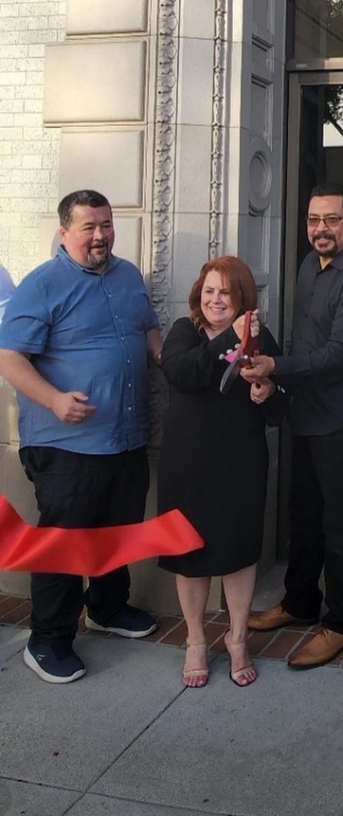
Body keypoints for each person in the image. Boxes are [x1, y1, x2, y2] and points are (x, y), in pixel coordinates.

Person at [0, 190, 162, 684]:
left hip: (125, 436)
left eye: (106, 225)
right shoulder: (44, 284)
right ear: (65, 231)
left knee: (116, 533)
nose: (100, 235)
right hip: (65, 444)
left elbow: (149, 330)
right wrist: (53, 400)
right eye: (89, 227)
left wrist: (168, 355)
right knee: (64, 543)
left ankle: (107, 609)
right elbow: (9, 357)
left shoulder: (129, 275)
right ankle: (47, 639)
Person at [243, 183, 343, 668]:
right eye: (312, 220)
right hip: (304, 415)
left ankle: (342, 622)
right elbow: (305, 344)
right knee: (303, 518)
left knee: (342, 527)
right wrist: (269, 370)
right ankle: (300, 603)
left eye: (330, 219)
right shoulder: (309, 266)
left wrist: (275, 368)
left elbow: (340, 353)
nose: (320, 229)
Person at [157, 257, 284, 688]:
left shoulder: (261, 338)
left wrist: (268, 392)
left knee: (238, 551)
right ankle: (195, 640)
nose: (214, 299)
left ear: (242, 298)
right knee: (190, 554)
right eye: (209, 290)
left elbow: (284, 404)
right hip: (187, 461)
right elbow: (182, 372)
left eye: (225, 293)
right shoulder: (183, 331)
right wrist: (231, 336)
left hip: (240, 460)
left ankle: (237, 638)